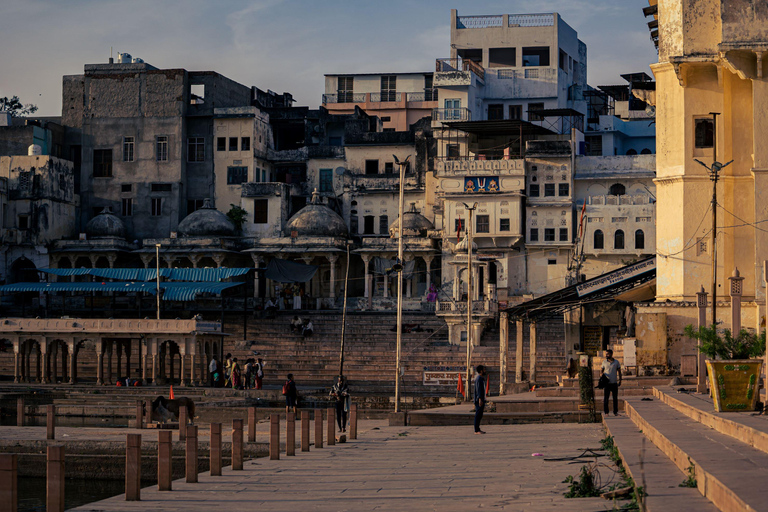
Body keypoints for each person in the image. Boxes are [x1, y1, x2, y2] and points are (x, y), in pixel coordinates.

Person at [602, 349, 622, 416]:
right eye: (606, 354)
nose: (606, 355)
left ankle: (615, 412)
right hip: (607, 383)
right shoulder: (604, 362)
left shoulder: (616, 362)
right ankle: (606, 412)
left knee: (615, 398)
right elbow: (601, 371)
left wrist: (620, 380)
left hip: (614, 382)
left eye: (608, 354)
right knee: (606, 399)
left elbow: (619, 371)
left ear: (611, 354)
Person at [473, 365, 487, 435]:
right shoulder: (478, 379)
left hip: (481, 399)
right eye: (484, 370)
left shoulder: (481, 379)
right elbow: (478, 390)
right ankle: (476, 430)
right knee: (478, 415)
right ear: (481, 371)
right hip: (479, 400)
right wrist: (480, 399)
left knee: (480, 415)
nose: (485, 371)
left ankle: (478, 429)